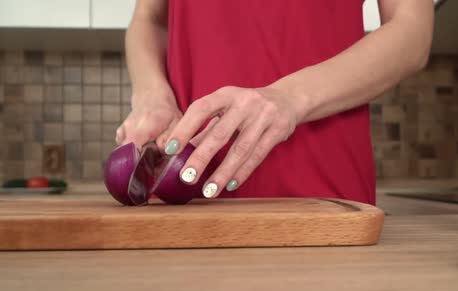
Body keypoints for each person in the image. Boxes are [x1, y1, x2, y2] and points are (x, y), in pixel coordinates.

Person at [116, 0, 434, 205]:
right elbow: (149, 19)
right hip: (184, 195)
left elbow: (411, 31)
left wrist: (290, 98)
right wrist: (151, 94)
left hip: (323, 198)